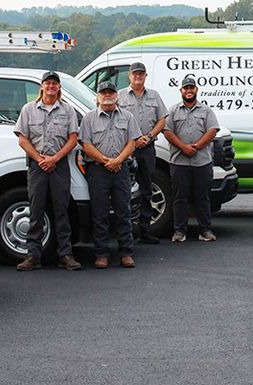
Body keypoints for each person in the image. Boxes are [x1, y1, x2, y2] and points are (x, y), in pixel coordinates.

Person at [13, 71, 81, 271]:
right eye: (48, 83)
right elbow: (22, 139)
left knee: (62, 210)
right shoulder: (29, 109)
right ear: (41, 86)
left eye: (54, 84)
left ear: (59, 88)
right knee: (36, 210)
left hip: (59, 165)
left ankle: (66, 255)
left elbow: (73, 139)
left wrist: (55, 158)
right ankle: (33, 256)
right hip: (37, 165)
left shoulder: (68, 111)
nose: (51, 86)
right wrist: (39, 158)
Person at [79, 78, 138, 268]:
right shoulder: (89, 118)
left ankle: (126, 253)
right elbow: (86, 145)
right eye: (103, 93)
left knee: (123, 211)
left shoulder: (127, 117)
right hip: (98, 170)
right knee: (100, 213)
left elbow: (132, 142)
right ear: (98, 97)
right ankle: (101, 255)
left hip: (121, 169)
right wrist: (106, 161)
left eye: (110, 93)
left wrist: (118, 160)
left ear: (116, 96)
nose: (107, 96)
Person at [162, 75, 220, 243]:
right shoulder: (172, 111)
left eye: (191, 88)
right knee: (180, 198)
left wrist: (196, 146)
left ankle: (205, 230)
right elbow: (167, 132)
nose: (189, 91)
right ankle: (180, 231)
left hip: (202, 161)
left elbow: (212, 131)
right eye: (186, 88)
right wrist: (183, 147)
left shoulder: (206, 110)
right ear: (181, 91)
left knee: (203, 197)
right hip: (179, 162)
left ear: (196, 90)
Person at [117, 62, 168, 244]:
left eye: (141, 74)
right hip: (126, 150)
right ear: (129, 76)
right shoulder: (119, 96)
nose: (138, 77)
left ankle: (145, 229)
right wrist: (133, 140)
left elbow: (162, 120)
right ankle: (127, 231)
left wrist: (148, 136)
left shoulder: (154, 96)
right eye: (134, 74)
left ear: (146, 76)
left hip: (147, 148)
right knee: (126, 190)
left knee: (146, 188)